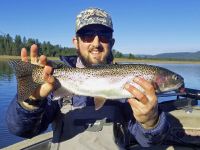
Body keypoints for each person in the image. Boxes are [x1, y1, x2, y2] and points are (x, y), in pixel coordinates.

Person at [6, 7, 170, 149]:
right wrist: (31, 101)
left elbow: (150, 142)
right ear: (75, 42)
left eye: (104, 35)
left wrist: (150, 122)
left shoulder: (135, 84)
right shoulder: (51, 80)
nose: (96, 42)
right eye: (87, 35)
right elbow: (22, 130)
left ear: (111, 42)